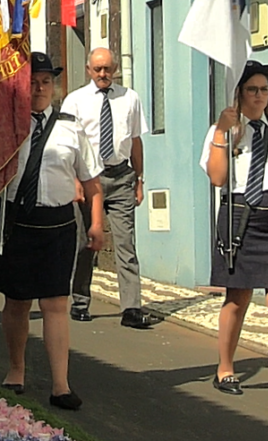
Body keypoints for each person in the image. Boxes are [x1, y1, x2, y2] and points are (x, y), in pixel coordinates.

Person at [0, 52, 104, 411]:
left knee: (56, 303)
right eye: (32, 82)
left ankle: (61, 384)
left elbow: (92, 182)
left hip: (57, 223)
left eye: (46, 81)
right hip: (15, 219)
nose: (40, 88)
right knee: (16, 300)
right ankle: (16, 369)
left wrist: (96, 223)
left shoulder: (70, 126)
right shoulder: (7, 122)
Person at [201, 60, 268, 404]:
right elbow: (218, 178)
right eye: (252, 89)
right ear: (239, 93)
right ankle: (224, 367)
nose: (259, 96)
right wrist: (224, 134)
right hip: (240, 217)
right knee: (237, 298)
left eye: (264, 90)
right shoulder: (223, 130)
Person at [61, 48, 159, 329]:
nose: (103, 74)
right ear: (89, 70)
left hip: (121, 177)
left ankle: (131, 308)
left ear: (115, 69)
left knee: (126, 243)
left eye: (108, 69)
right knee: (84, 243)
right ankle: (80, 301)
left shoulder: (130, 98)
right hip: (88, 177)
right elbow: (67, 145)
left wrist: (139, 179)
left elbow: (135, 140)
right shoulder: (75, 101)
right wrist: (75, 181)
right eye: (98, 69)